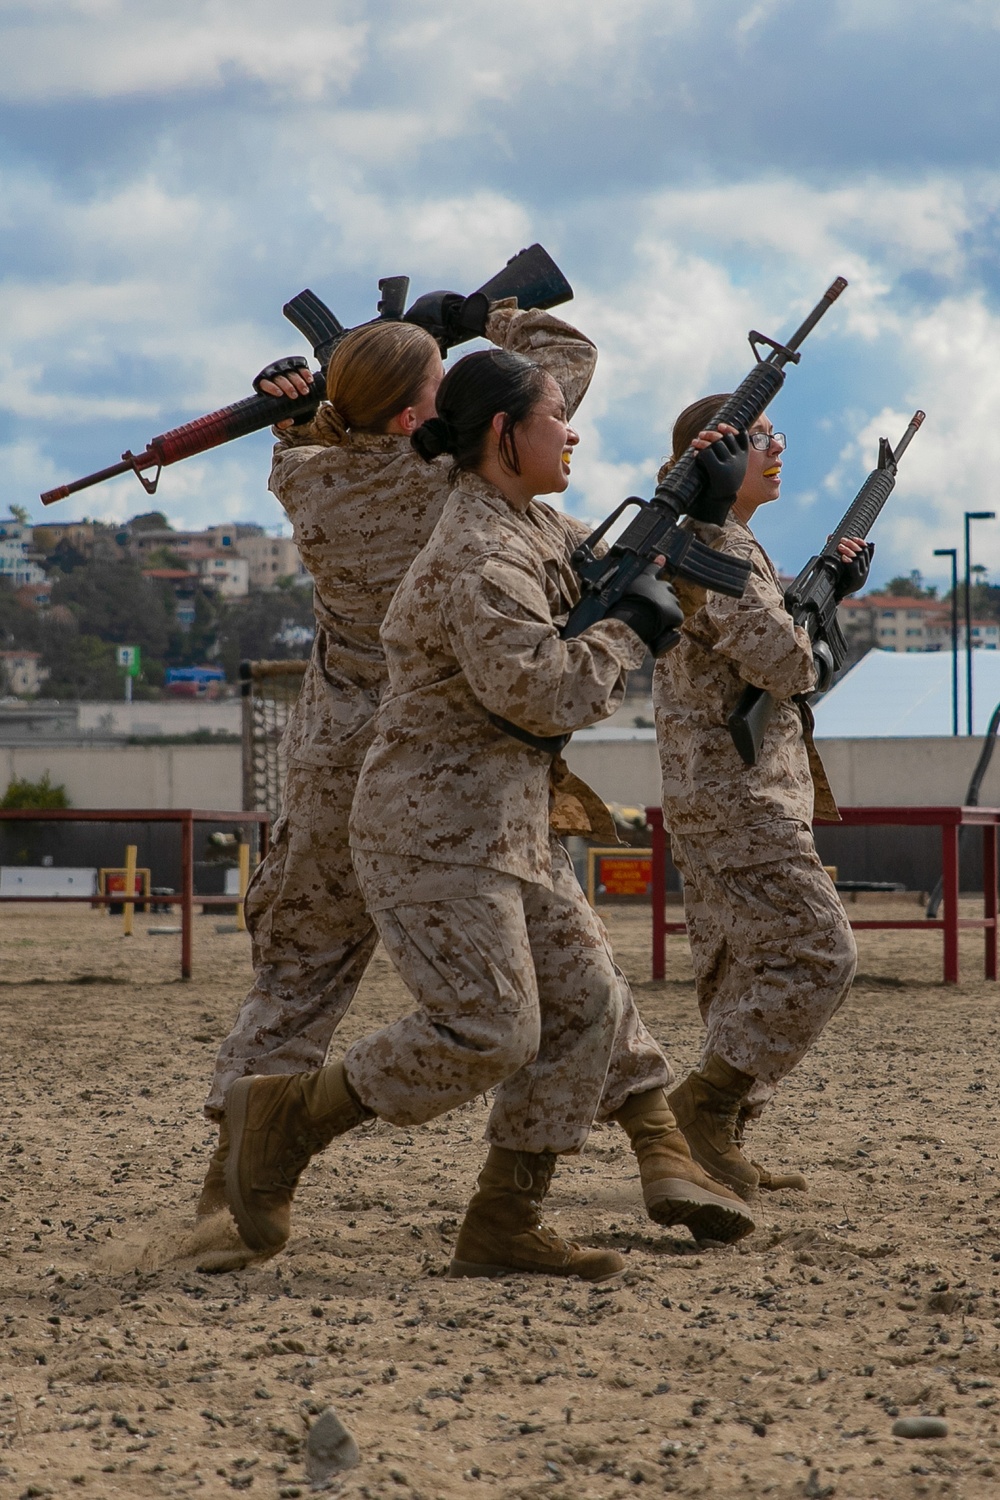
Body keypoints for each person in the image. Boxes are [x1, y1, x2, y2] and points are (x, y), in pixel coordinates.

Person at [221, 349, 755, 1280]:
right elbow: (541, 693)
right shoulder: (478, 553)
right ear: (504, 436)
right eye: (557, 416)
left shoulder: (527, 524)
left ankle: (506, 1219)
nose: (575, 429)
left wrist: (697, 506)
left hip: (501, 821)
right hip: (433, 826)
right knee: (489, 1029)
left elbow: (622, 559)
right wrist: (634, 625)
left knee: (586, 1005)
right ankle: (287, 1119)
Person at [195, 297, 596, 1214]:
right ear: (430, 419)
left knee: (298, 974)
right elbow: (561, 364)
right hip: (454, 764)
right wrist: (488, 314)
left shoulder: (305, 476)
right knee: (565, 963)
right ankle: (634, 1139)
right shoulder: (457, 486)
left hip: (335, 762)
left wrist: (307, 403)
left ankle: (230, 1180)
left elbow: (321, 440)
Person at [653, 397, 867, 1199]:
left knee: (740, 966)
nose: (778, 448)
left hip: (726, 790)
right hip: (737, 794)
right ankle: (705, 1109)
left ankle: (719, 1137)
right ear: (714, 460)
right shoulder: (716, 550)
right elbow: (790, 667)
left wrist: (824, 588)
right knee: (821, 949)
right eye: (762, 437)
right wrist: (816, 624)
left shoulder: (727, 543)